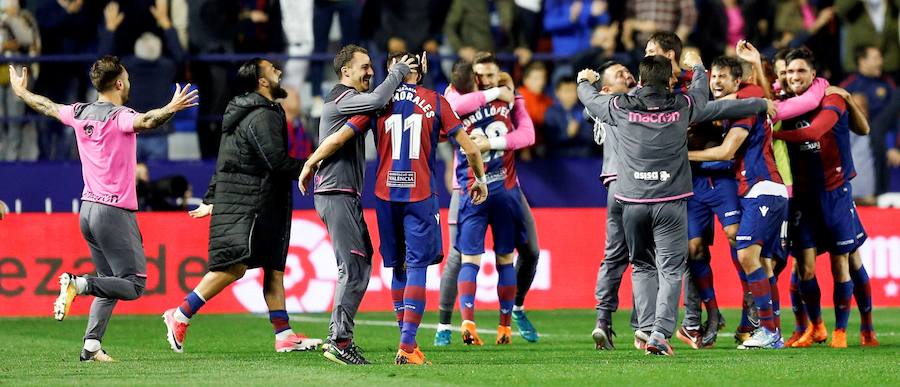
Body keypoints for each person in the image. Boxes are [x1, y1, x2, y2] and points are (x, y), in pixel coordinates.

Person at [300, 52, 487, 365]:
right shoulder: (436, 101)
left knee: (396, 266)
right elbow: (468, 146)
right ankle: (407, 346)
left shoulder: (377, 104)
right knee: (416, 268)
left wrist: (311, 161)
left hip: (385, 196)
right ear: (420, 68)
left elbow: (339, 137)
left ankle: (403, 339)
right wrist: (480, 179)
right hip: (421, 194)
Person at [10, 55, 197, 361]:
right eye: (128, 79)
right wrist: (171, 108)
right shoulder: (120, 116)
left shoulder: (79, 112)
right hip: (113, 212)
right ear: (120, 83)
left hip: (87, 210)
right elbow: (147, 121)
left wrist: (21, 93)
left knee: (108, 277)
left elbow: (47, 106)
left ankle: (91, 345)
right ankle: (77, 283)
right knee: (134, 284)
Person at [161, 58, 322, 354]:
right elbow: (274, 160)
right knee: (234, 266)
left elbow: (225, 159)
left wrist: (211, 197)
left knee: (274, 267)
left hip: (260, 199)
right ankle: (181, 313)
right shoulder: (263, 114)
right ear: (262, 81)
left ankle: (284, 333)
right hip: (252, 200)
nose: (280, 73)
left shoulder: (241, 111)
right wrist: (312, 164)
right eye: (274, 70)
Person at [578, 52, 709, 356]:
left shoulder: (620, 105)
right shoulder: (682, 105)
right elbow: (702, 94)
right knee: (671, 269)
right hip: (670, 202)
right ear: (668, 79)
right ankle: (661, 334)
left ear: (640, 79)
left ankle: (645, 329)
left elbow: (589, 99)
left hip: (632, 201)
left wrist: (583, 81)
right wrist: (698, 67)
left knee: (641, 265)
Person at [301, 45, 416, 365]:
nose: (370, 72)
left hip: (344, 194)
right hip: (335, 194)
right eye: (364, 67)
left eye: (371, 67)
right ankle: (338, 340)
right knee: (352, 268)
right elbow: (379, 100)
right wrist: (398, 72)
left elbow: (383, 105)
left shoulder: (352, 104)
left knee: (361, 264)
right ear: (346, 71)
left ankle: (340, 335)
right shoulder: (342, 100)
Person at [775, 48, 877, 348]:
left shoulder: (831, 98)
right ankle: (815, 327)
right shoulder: (785, 105)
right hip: (803, 198)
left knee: (845, 261)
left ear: (814, 74)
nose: (793, 76)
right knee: (803, 266)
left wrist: (774, 134)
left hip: (836, 192)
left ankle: (854, 329)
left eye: (800, 71)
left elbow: (817, 130)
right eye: (788, 72)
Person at [435, 53, 539, 346]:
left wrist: (492, 141)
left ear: (499, 74)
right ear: (474, 76)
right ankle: (445, 324)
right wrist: (496, 92)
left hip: (497, 187)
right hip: (473, 187)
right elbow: (454, 105)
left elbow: (528, 135)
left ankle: (514, 310)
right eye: (481, 76)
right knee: (461, 256)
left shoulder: (510, 98)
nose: (485, 80)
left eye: (492, 76)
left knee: (529, 252)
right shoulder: (461, 95)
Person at [688, 55, 789, 349]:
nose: (716, 81)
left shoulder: (746, 106)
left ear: (737, 82)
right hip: (759, 190)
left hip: (763, 187)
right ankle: (773, 333)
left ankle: (767, 330)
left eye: (723, 77)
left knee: (746, 255)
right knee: (763, 263)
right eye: (713, 76)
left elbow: (725, 151)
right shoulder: (737, 109)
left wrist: (682, 157)